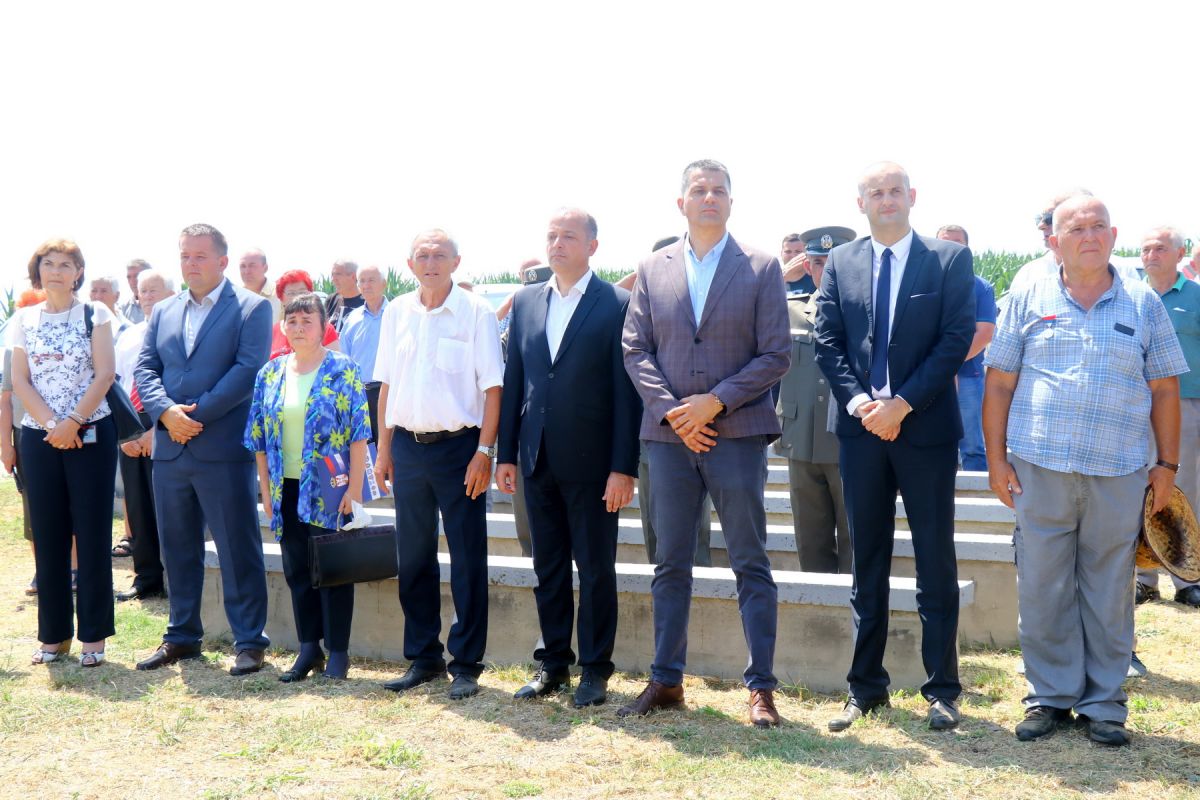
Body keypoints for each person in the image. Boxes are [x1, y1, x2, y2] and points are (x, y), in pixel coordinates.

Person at [984, 196, 1186, 747]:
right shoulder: (1027, 294)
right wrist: (997, 461)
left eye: (1099, 226)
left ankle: (1103, 704)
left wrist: (1166, 464)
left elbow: (1165, 388)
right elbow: (999, 380)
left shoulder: (1144, 303)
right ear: (1055, 239)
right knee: (1043, 588)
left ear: (1114, 235)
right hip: (1038, 465)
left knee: (1109, 588)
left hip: (1119, 470)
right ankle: (1048, 697)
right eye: (1077, 227)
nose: (1089, 235)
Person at [621, 159, 790, 728]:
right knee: (670, 562)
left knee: (750, 561)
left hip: (736, 434)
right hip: (668, 441)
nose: (709, 198)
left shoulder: (762, 267)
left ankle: (761, 689)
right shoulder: (651, 267)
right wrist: (675, 412)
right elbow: (635, 349)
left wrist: (714, 402)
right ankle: (666, 680)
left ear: (731, 202)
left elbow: (775, 354)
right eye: (699, 190)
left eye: (719, 190)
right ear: (681, 203)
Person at [814, 162, 975, 732]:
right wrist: (863, 405)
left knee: (935, 558)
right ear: (861, 204)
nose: (887, 200)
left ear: (913, 197)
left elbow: (956, 339)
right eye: (875, 193)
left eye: (895, 191)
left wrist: (901, 404)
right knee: (868, 559)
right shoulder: (841, 261)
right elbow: (827, 339)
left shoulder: (948, 259)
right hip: (861, 433)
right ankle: (866, 688)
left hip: (924, 428)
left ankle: (943, 689)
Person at [496, 209, 641, 707]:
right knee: (548, 566)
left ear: (593, 247)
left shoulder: (617, 304)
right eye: (552, 236)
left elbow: (628, 394)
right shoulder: (527, 303)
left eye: (569, 237)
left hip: (596, 465)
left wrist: (624, 466)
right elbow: (516, 378)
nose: (558, 245)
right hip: (536, 459)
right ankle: (552, 663)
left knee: (596, 569)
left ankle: (596, 670)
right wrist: (506, 453)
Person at [134, 223, 274, 676]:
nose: (190, 264)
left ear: (221, 261)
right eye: (184, 256)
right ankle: (181, 636)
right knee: (177, 547)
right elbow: (145, 367)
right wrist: (166, 413)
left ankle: (250, 641)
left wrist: (196, 416)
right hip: (171, 451)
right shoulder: (163, 311)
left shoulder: (251, 308)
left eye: (199, 256)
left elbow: (247, 368)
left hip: (220, 448)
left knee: (237, 547)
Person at [373, 229, 503, 701]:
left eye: (439, 256)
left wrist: (484, 453)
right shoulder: (397, 311)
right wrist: (383, 449)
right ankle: (423, 657)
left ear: (456, 262)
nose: (431, 263)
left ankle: (465, 663)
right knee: (413, 556)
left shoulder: (476, 313)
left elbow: (493, 389)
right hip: (407, 448)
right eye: (422, 256)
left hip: (460, 449)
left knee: (468, 557)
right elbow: (386, 384)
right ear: (409, 264)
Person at [246, 292, 371, 681]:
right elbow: (260, 439)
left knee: (334, 570)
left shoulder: (342, 369)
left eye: (307, 321)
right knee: (297, 570)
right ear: (283, 326)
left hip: (330, 487)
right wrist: (265, 490)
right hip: (286, 487)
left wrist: (353, 491)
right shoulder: (270, 373)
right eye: (292, 321)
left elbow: (358, 435)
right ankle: (308, 649)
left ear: (323, 327)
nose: (298, 328)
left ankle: (338, 652)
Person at [11, 239, 117, 667]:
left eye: (66, 264)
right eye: (48, 264)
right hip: (40, 437)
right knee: (49, 536)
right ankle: (53, 637)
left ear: (78, 272)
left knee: (91, 534)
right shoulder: (23, 318)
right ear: (38, 271)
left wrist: (73, 421)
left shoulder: (97, 313)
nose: (56, 270)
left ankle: (94, 638)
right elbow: (19, 381)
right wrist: (54, 426)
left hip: (91, 431)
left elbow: (105, 372)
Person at [618, 235, 714, 567]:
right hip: (656, 431)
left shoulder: (705, 306)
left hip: (703, 428)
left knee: (694, 535)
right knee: (656, 532)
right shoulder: (641, 305)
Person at [776, 226, 854, 573]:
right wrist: (782, 274)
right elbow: (741, 306)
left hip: (850, 440)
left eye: (835, 262)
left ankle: (858, 618)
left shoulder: (867, 314)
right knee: (810, 539)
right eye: (819, 263)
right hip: (802, 439)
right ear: (808, 267)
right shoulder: (788, 309)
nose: (827, 271)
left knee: (857, 537)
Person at [1134, 226, 1200, 608]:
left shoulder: (1194, 298)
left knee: (1183, 489)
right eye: (1145, 249)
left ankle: (1187, 577)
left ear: (1180, 253)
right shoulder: (1129, 296)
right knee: (1138, 491)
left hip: (1187, 404)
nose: (1151, 255)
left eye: (1160, 248)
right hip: (1134, 406)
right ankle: (1144, 577)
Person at [112, 269, 175, 601]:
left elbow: (178, 385)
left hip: (164, 422)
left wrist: (156, 429)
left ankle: (174, 577)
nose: (146, 296)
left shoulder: (179, 333)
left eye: (154, 290)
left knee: (167, 505)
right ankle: (146, 576)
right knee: (136, 505)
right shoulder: (129, 334)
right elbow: (118, 383)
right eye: (142, 291)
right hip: (129, 423)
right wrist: (125, 433)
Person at [936, 225, 996, 471]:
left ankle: (976, 502)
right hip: (928, 376)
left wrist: (948, 365)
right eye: (946, 242)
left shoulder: (980, 287)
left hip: (967, 375)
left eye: (958, 242)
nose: (952, 247)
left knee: (972, 444)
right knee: (933, 442)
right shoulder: (922, 283)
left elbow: (984, 333)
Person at [1, 288, 48, 594]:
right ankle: (41, 571)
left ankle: (73, 568)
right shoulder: (11, 349)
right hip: (24, 433)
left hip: (66, 430)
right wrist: (6, 445)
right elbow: (5, 400)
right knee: (33, 506)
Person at [339, 265, 388, 442]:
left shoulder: (396, 315)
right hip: (360, 394)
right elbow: (345, 360)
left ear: (384, 284)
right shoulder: (352, 319)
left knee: (390, 451)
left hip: (389, 392)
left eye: (371, 280)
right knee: (365, 449)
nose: (366, 285)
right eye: (362, 281)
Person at [270, 270, 340, 359]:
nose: (297, 297)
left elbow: (335, 363)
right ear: (281, 299)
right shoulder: (273, 331)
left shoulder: (326, 329)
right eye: (291, 293)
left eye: (302, 292)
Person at [240, 248, 282, 322]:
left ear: (265, 268)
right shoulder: (236, 298)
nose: (246, 271)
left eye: (252, 266)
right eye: (243, 266)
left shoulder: (280, 294)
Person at [326, 259, 365, 333]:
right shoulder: (331, 300)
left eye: (338, 274)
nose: (333, 280)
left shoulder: (366, 303)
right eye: (332, 275)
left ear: (353, 277)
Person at [120, 259, 151, 323]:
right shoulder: (123, 308)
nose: (132, 281)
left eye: (136, 276)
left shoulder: (162, 304)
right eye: (129, 277)